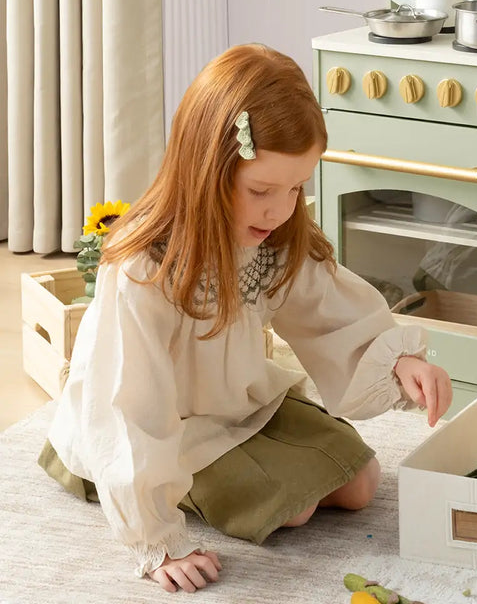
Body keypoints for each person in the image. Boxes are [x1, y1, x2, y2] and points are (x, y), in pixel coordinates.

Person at [40, 44, 452, 593]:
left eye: (296, 187)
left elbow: (327, 308)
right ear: (208, 169)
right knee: (297, 511)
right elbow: (130, 404)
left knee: (360, 484)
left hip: (236, 403)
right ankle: (161, 485)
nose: (280, 209)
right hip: (165, 427)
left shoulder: (272, 238)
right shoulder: (145, 268)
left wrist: (398, 361)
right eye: (262, 190)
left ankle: (237, 468)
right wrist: (156, 535)